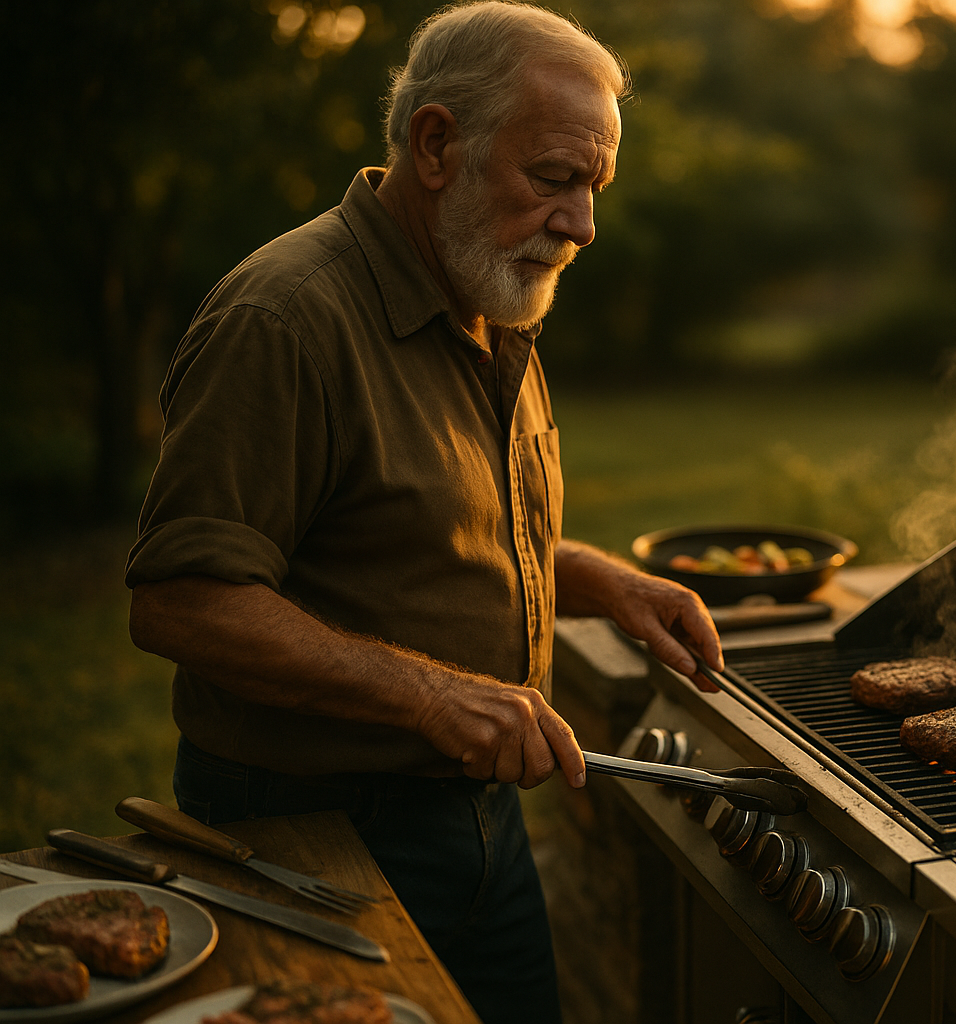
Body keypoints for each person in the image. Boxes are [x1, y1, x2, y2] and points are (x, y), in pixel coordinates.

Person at [124, 4, 722, 1022]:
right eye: (555, 179)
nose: (582, 225)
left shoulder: (484, 295)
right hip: (312, 835)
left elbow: (430, 528)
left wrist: (594, 579)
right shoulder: (284, 316)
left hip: (484, 826)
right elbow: (182, 601)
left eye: (595, 188)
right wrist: (435, 695)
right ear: (436, 144)